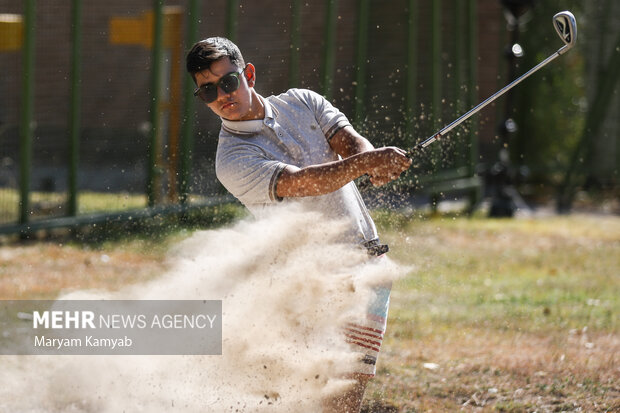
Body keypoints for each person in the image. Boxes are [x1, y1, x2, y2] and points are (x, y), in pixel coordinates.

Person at [186, 36, 411, 413]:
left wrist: (370, 159)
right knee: (321, 399)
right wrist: (368, 164)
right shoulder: (231, 159)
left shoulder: (303, 101)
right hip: (313, 284)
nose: (222, 95)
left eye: (228, 82)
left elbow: (351, 142)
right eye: (208, 91)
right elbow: (304, 183)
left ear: (249, 75)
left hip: (370, 270)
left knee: (347, 401)